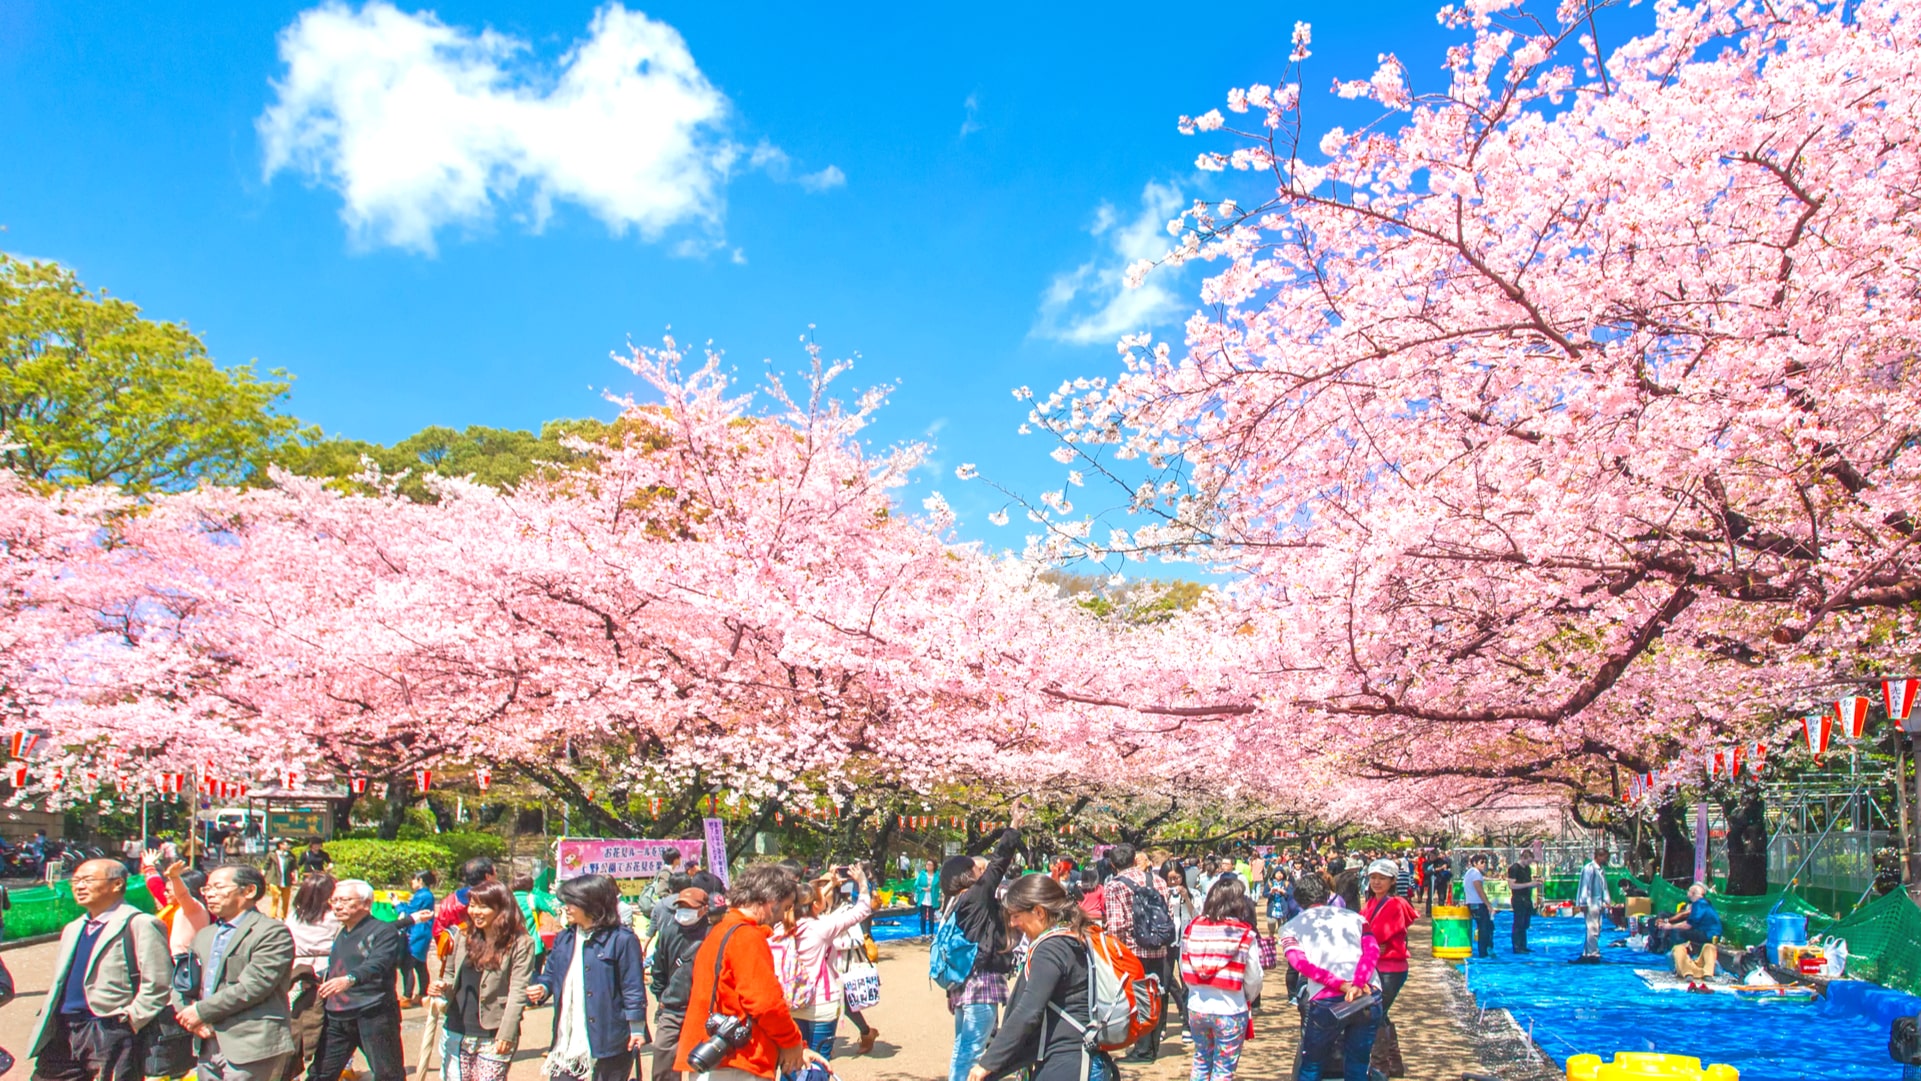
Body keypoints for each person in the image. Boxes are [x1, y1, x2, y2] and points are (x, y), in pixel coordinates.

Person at [29, 859, 173, 1081]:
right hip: (64, 1027)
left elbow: (158, 983)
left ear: (117, 884)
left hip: (109, 1025)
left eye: (87, 880)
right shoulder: (73, 928)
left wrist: (131, 1020)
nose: (79, 886)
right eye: (75, 880)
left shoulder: (139, 923)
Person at [674, 864, 814, 1081]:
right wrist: (792, 1041)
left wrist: (799, 1046)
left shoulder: (721, 930)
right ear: (771, 901)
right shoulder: (746, 936)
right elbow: (765, 1003)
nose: (782, 917)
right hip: (738, 1062)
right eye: (785, 907)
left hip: (718, 1058)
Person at [966, 874, 1108, 1081]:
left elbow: (1029, 1011)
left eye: (1016, 916)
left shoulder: (1051, 948)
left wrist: (987, 1063)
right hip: (1086, 1058)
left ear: (1039, 912)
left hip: (1066, 1063)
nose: (1013, 923)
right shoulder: (1075, 936)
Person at [174, 864, 295, 1081]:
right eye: (207, 889)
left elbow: (254, 985)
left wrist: (201, 1011)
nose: (210, 894)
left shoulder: (271, 932)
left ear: (249, 891)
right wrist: (189, 1016)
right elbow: (182, 981)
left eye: (218, 887)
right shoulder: (204, 935)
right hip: (206, 1039)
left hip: (249, 1040)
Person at [529, 874, 648, 1081]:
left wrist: (637, 1028)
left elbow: (633, 987)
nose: (566, 907)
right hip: (566, 1041)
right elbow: (551, 975)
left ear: (592, 904)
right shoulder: (564, 939)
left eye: (571, 902)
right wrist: (543, 988)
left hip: (608, 1039)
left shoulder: (621, 939)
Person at [939, 810, 1027, 1081]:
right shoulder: (974, 897)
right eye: (977, 869)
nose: (983, 872)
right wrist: (1012, 827)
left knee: (963, 1049)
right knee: (972, 1053)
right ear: (966, 875)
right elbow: (999, 863)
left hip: (962, 984)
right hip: (981, 985)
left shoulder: (953, 903)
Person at [430, 881, 535, 1081]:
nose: (475, 912)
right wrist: (442, 986)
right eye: (472, 905)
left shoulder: (521, 942)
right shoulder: (463, 935)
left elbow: (518, 991)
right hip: (456, 1029)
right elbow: (450, 974)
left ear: (502, 909)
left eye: (483, 906)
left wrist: (507, 1033)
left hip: (493, 1034)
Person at [1280, 872, 1381, 1081]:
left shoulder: (1290, 928)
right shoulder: (1357, 919)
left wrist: (1341, 985)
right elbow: (1372, 951)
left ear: (1298, 901)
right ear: (1328, 895)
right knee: (1358, 1064)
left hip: (1326, 1000)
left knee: (1312, 1065)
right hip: (1368, 995)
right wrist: (1358, 982)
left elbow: (1301, 964)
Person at [772, 864, 875, 1060]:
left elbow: (808, 902)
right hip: (821, 1002)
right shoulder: (821, 927)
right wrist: (862, 882)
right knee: (819, 1059)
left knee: (793, 1061)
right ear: (816, 905)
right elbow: (862, 910)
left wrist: (829, 885)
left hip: (790, 1002)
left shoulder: (780, 928)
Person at [307, 879, 404, 1081]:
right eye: (334, 900)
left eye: (345, 900)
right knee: (320, 1073)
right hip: (337, 1014)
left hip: (373, 1012)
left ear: (366, 904)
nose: (338, 905)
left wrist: (349, 979)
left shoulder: (382, 931)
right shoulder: (341, 931)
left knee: (388, 1073)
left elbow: (378, 963)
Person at [1179, 877, 1263, 1081]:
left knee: (1201, 1060)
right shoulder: (1244, 933)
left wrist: (1196, 990)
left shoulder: (1193, 927)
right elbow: (1254, 977)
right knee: (1223, 1069)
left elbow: (1184, 968)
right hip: (1230, 1009)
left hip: (1197, 1006)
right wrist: (1246, 997)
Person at [1101, 843, 1175, 1063]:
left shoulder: (1115, 886)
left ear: (1113, 864)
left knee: (1139, 997)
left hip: (1133, 951)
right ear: (1135, 859)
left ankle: (1142, 1051)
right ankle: (1151, 1046)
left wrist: (1115, 953)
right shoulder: (1158, 882)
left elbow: (1116, 925)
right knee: (1155, 994)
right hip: (1158, 948)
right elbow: (1168, 914)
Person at [647, 887, 715, 1081]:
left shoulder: (713, 933)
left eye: (690, 907)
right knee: (662, 1062)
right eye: (681, 906)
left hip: (703, 1010)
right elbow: (658, 968)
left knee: (703, 1067)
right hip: (673, 1008)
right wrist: (662, 996)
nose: (684, 912)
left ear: (704, 909)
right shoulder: (668, 931)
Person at [279, 874, 340, 1081]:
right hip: (325, 970)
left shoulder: (296, 915)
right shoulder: (334, 917)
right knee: (325, 1022)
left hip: (295, 969)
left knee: (294, 1020)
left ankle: (290, 1070)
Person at [1359, 860, 1417, 1018]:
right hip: (1373, 966)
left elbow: (1377, 934)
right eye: (1373, 877)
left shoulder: (1396, 904)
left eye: (1382, 878)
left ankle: (1384, 1043)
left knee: (1373, 1014)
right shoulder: (1371, 903)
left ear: (1393, 881)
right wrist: (1369, 944)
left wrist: (1367, 943)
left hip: (1389, 969)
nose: (1376, 882)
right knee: (1374, 1015)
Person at [1654, 884, 1723, 982]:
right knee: (1706, 946)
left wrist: (1670, 926)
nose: (1686, 893)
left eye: (1688, 891)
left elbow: (1688, 925)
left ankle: (1669, 949)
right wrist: (1668, 922)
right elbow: (1685, 918)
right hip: (1707, 936)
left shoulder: (1700, 904)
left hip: (1708, 935)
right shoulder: (1701, 904)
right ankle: (1704, 972)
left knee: (1678, 935)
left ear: (1693, 893)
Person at [392, 870, 437, 1007]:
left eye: (414, 879)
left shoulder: (422, 895)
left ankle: (406, 996)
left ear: (420, 881)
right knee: (419, 964)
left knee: (408, 965)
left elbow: (410, 912)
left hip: (417, 932)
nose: (412, 882)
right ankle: (422, 993)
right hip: (423, 932)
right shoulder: (426, 895)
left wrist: (397, 904)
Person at [1574, 850, 1611, 963]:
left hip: (1598, 902)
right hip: (1591, 902)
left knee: (1596, 927)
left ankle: (1587, 953)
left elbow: (1604, 887)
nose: (1606, 860)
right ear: (1599, 856)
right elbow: (1584, 886)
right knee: (1592, 928)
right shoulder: (1589, 868)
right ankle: (1593, 954)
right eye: (1605, 857)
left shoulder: (1600, 870)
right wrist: (1583, 902)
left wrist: (1607, 900)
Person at [1461, 855, 1493, 959]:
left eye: (1485, 862)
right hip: (1478, 904)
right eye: (1481, 862)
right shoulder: (1475, 874)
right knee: (1485, 928)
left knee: (1483, 927)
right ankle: (1483, 952)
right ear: (1475, 863)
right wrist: (1488, 904)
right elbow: (1479, 890)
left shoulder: (1469, 873)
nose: (1484, 864)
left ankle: (1484, 950)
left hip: (1472, 903)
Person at [1506, 859, 1537, 954]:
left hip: (1527, 898)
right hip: (1518, 898)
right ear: (1524, 857)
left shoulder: (1527, 869)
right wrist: (1529, 884)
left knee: (1525, 924)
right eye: (1529, 860)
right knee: (1518, 923)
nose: (1530, 863)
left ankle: (1523, 945)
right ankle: (1517, 946)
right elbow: (1512, 885)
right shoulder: (1514, 868)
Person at [264, 842, 298, 920]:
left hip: (286, 879)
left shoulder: (290, 856)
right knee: (275, 896)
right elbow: (266, 866)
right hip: (274, 879)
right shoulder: (272, 855)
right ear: (280, 845)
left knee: (286, 899)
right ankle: (273, 915)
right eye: (285, 844)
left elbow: (294, 868)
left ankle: (283, 916)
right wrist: (262, 875)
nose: (287, 846)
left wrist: (295, 877)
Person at [914, 860, 940, 936]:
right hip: (923, 897)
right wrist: (922, 889)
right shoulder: (922, 874)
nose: (928, 866)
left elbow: (940, 886)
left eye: (930, 864)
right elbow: (916, 885)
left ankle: (931, 933)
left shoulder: (937, 875)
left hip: (933, 898)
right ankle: (923, 934)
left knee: (931, 917)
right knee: (923, 916)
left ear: (934, 866)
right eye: (927, 864)